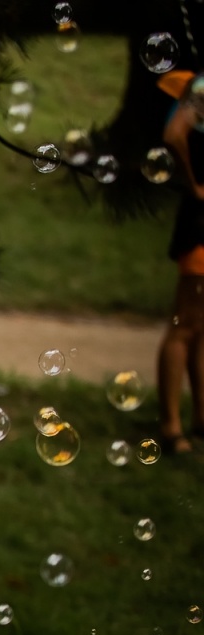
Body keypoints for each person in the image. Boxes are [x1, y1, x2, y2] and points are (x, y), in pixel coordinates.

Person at [157, 68, 204, 454]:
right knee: (185, 324)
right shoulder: (203, 85)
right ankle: (170, 425)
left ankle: (201, 417)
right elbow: (174, 134)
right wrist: (194, 186)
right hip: (201, 223)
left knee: (200, 327)